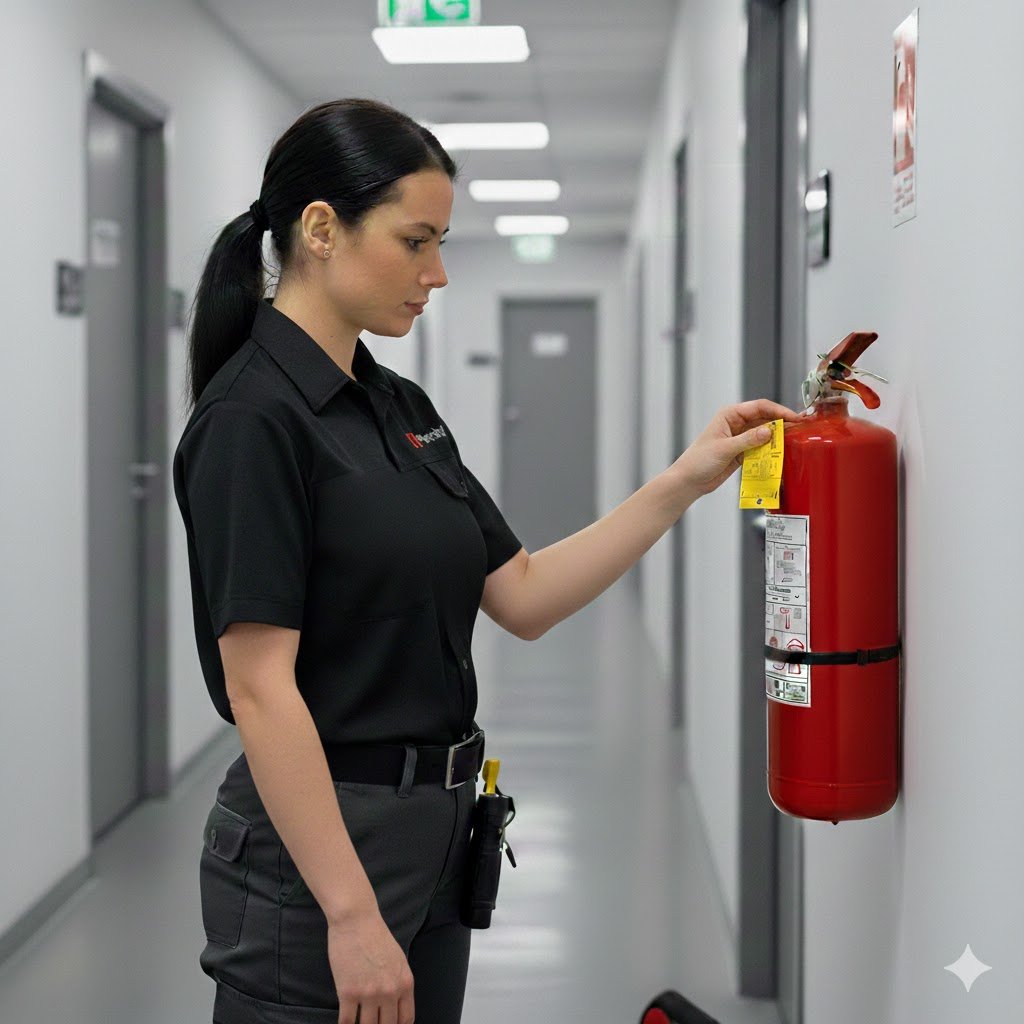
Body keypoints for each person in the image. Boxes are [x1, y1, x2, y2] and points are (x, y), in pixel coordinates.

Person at [172, 97, 801, 1024]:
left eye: (443, 242)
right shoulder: (250, 423)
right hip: (320, 855)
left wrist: (686, 479)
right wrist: (348, 914)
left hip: (438, 832)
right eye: (416, 240)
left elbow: (525, 595)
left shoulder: (399, 404)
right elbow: (261, 689)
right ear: (319, 230)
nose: (438, 273)